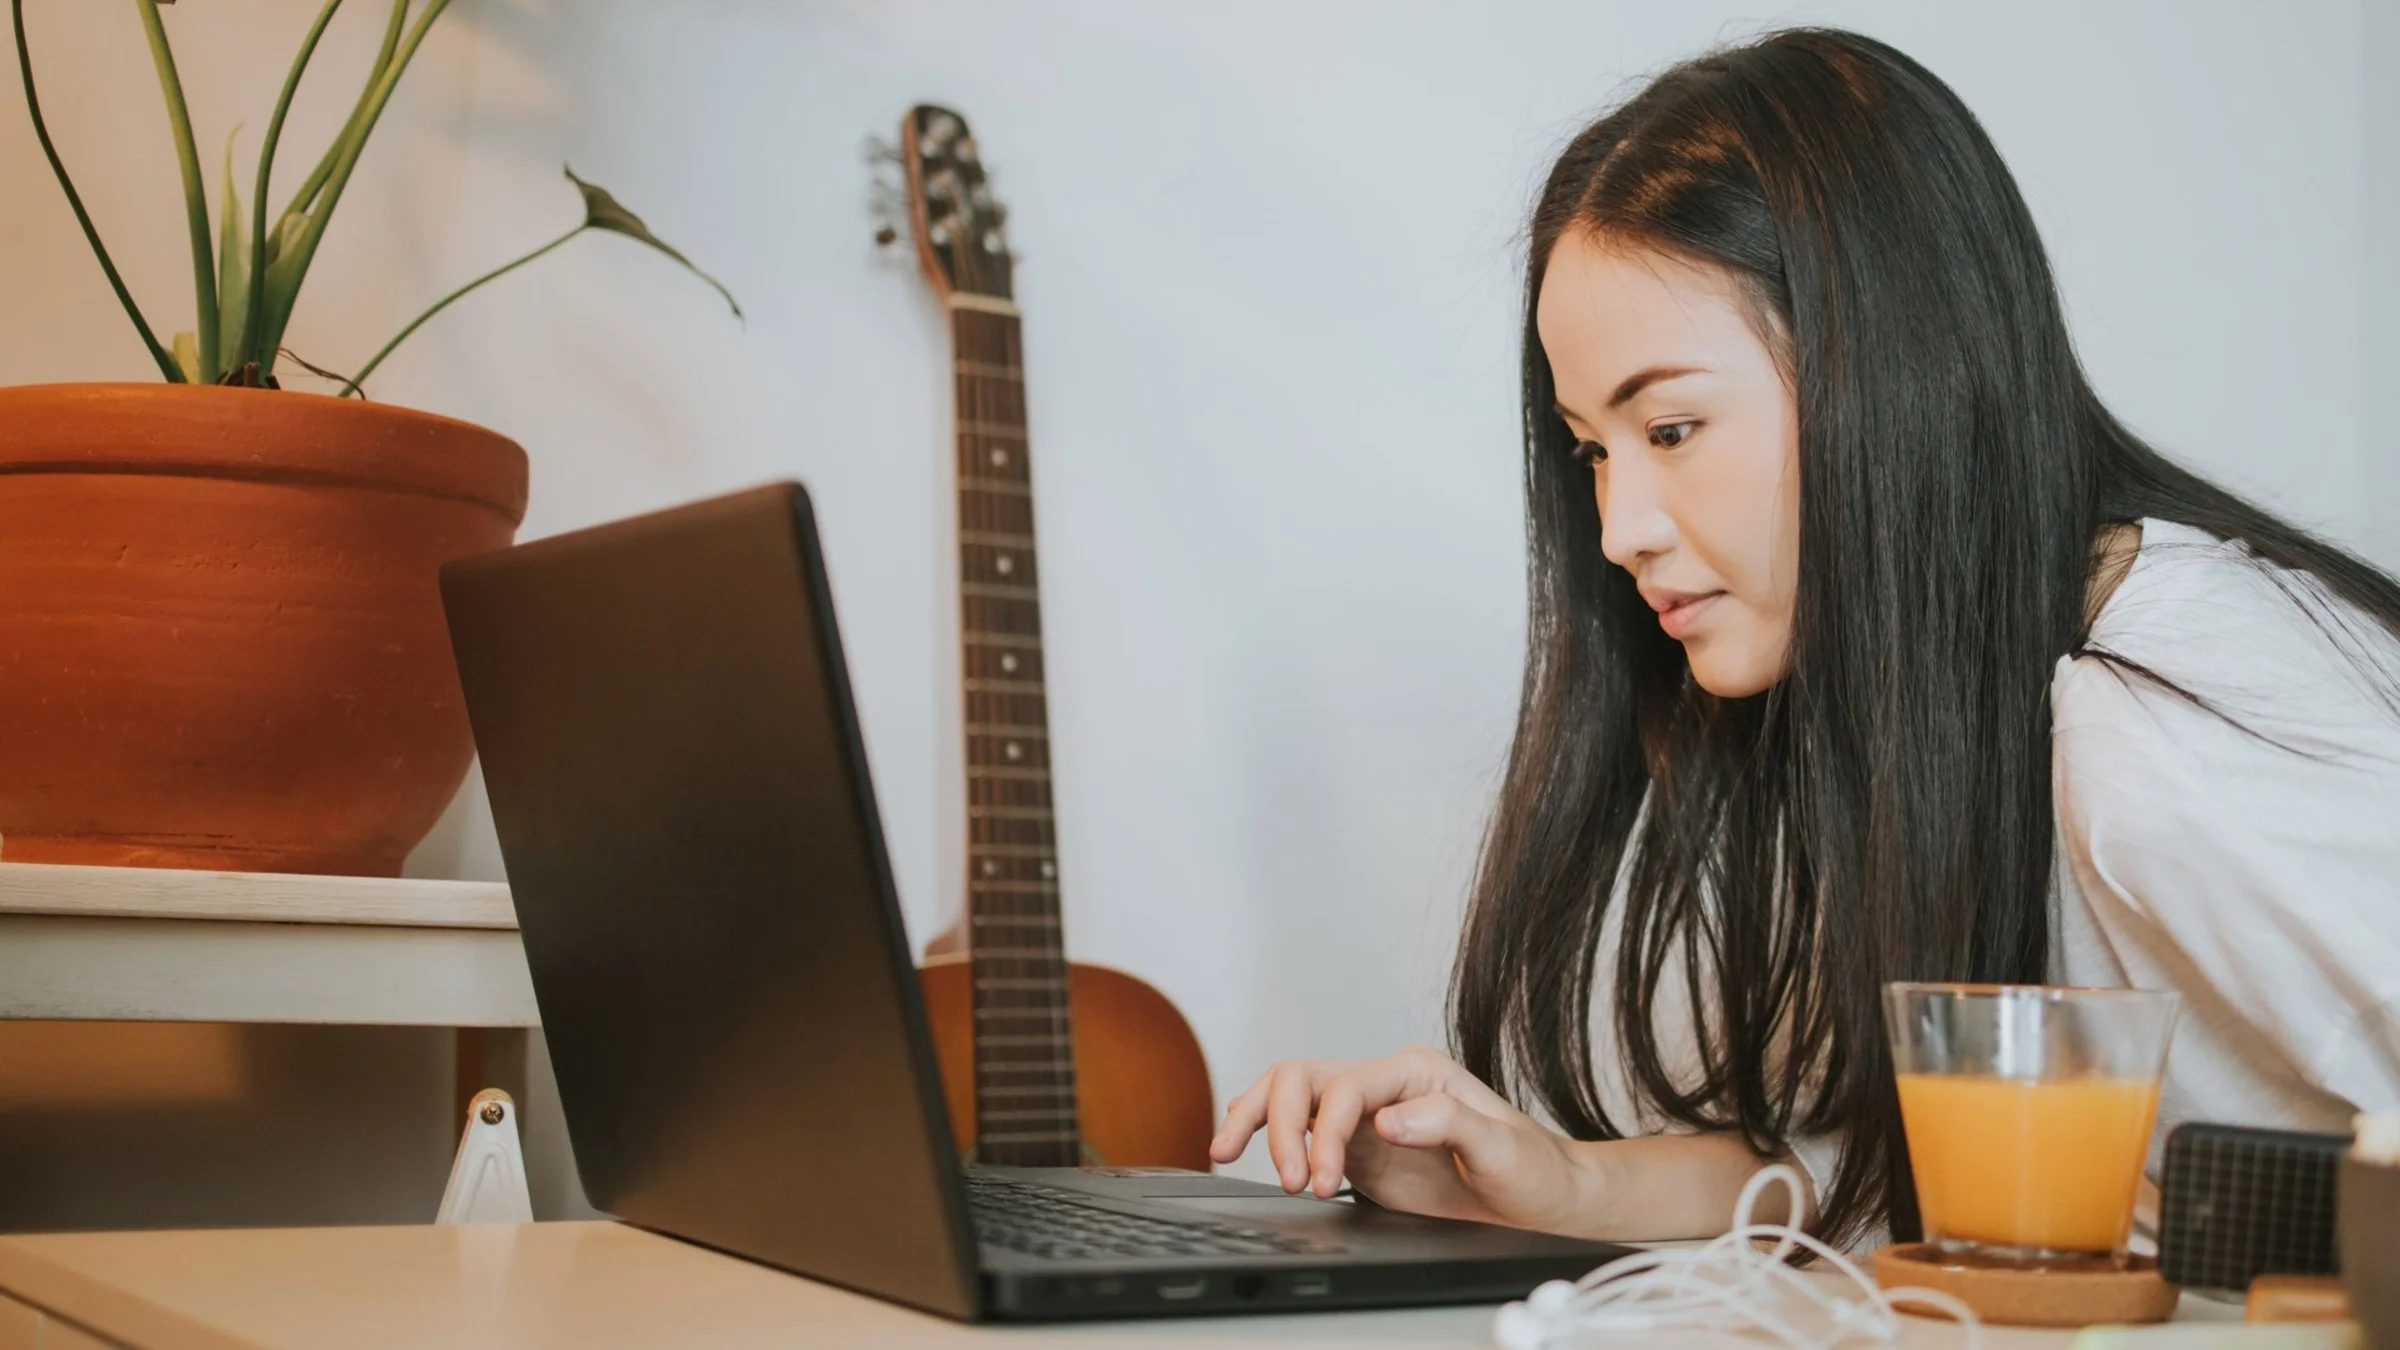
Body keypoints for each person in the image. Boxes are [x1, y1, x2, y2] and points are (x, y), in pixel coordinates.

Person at [1210, 26, 2400, 1249]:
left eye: (1669, 429)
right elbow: (1886, 1181)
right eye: (1590, 451)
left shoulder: (2160, 726)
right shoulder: (1931, 697)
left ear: (1885, 368)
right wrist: (1543, 1180)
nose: (1618, 530)